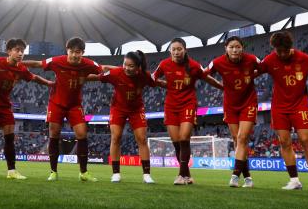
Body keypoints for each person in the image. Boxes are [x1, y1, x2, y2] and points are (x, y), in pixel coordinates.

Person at [0, 38, 53, 179]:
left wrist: (50, 83)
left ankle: (11, 171)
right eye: (17, 50)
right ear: (9, 51)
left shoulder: (21, 69)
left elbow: (34, 77)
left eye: (22, 51)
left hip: (4, 105)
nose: (20, 54)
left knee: (10, 137)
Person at [259, 31, 308, 192]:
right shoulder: (270, 60)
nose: (282, 54)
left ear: (290, 47)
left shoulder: (303, 58)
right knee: (284, 142)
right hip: (279, 107)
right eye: (279, 51)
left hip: (299, 105)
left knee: (306, 140)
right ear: (274, 48)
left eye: (285, 51)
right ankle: (294, 180)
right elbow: (254, 71)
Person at [27, 37, 102, 182]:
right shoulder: (57, 61)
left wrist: (123, 70)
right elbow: (37, 63)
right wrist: (17, 63)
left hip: (75, 105)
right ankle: (53, 172)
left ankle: (83, 172)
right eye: (71, 51)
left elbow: (102, 71)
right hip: (56, 103)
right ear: (67, 51)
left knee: (82, 134)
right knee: (54, 134)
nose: (74, 55)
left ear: (82, 52)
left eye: (78, 52)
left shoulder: (88, 64)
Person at [153, 38, 222, 185]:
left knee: (184, 138)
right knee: (176, 143)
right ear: (170, 51)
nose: (176, 52)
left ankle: (180, 175)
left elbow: (208, 78)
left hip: (188, 104)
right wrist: (164, 84)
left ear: (185, 50)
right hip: (171, 106)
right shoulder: (164, 64)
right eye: (174, 49)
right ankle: (187, 175)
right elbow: (153, 78)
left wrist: (223, 87)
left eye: (179, 49)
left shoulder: (194, 66)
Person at [89, 50, 160, 183]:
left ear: (138, 67)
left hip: (136, 110)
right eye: (125, 64)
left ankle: (146, 175)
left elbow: (156, 82)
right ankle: (116, 173)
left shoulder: (144, 76)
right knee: (115, 138)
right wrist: (79, 77)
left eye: (131, 66)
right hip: (118, 109)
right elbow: (97, 77)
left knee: (142, 139)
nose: (126, 68)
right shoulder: (116, 73)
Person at [205, 36, 260, 188]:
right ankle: (248, 178)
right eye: (231, 47)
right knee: (237, 140)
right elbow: (204, 74)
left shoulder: (251, 59)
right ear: (226, 49)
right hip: (230, 105)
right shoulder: (217, 62)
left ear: (242, 48)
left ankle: (235, 176)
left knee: (242, 138)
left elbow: (264, 67)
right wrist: (219, 85)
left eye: (237, 47)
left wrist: (250, 76)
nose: (235, 50)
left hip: (248, 103)